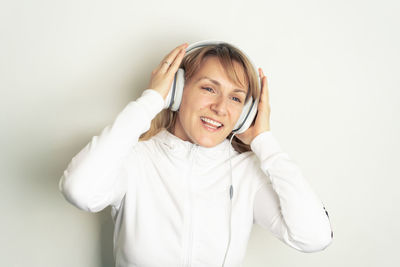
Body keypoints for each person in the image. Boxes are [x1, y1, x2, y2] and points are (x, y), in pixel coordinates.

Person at [59, 41, 333, 267]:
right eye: (209, 88)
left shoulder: (246, 171)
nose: (220, 108)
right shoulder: (135, 158)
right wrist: (150, 101)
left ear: (245, 114)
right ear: (177, 92)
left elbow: (314, 237)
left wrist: (264, 141)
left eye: (236, 98)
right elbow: (79, 191)